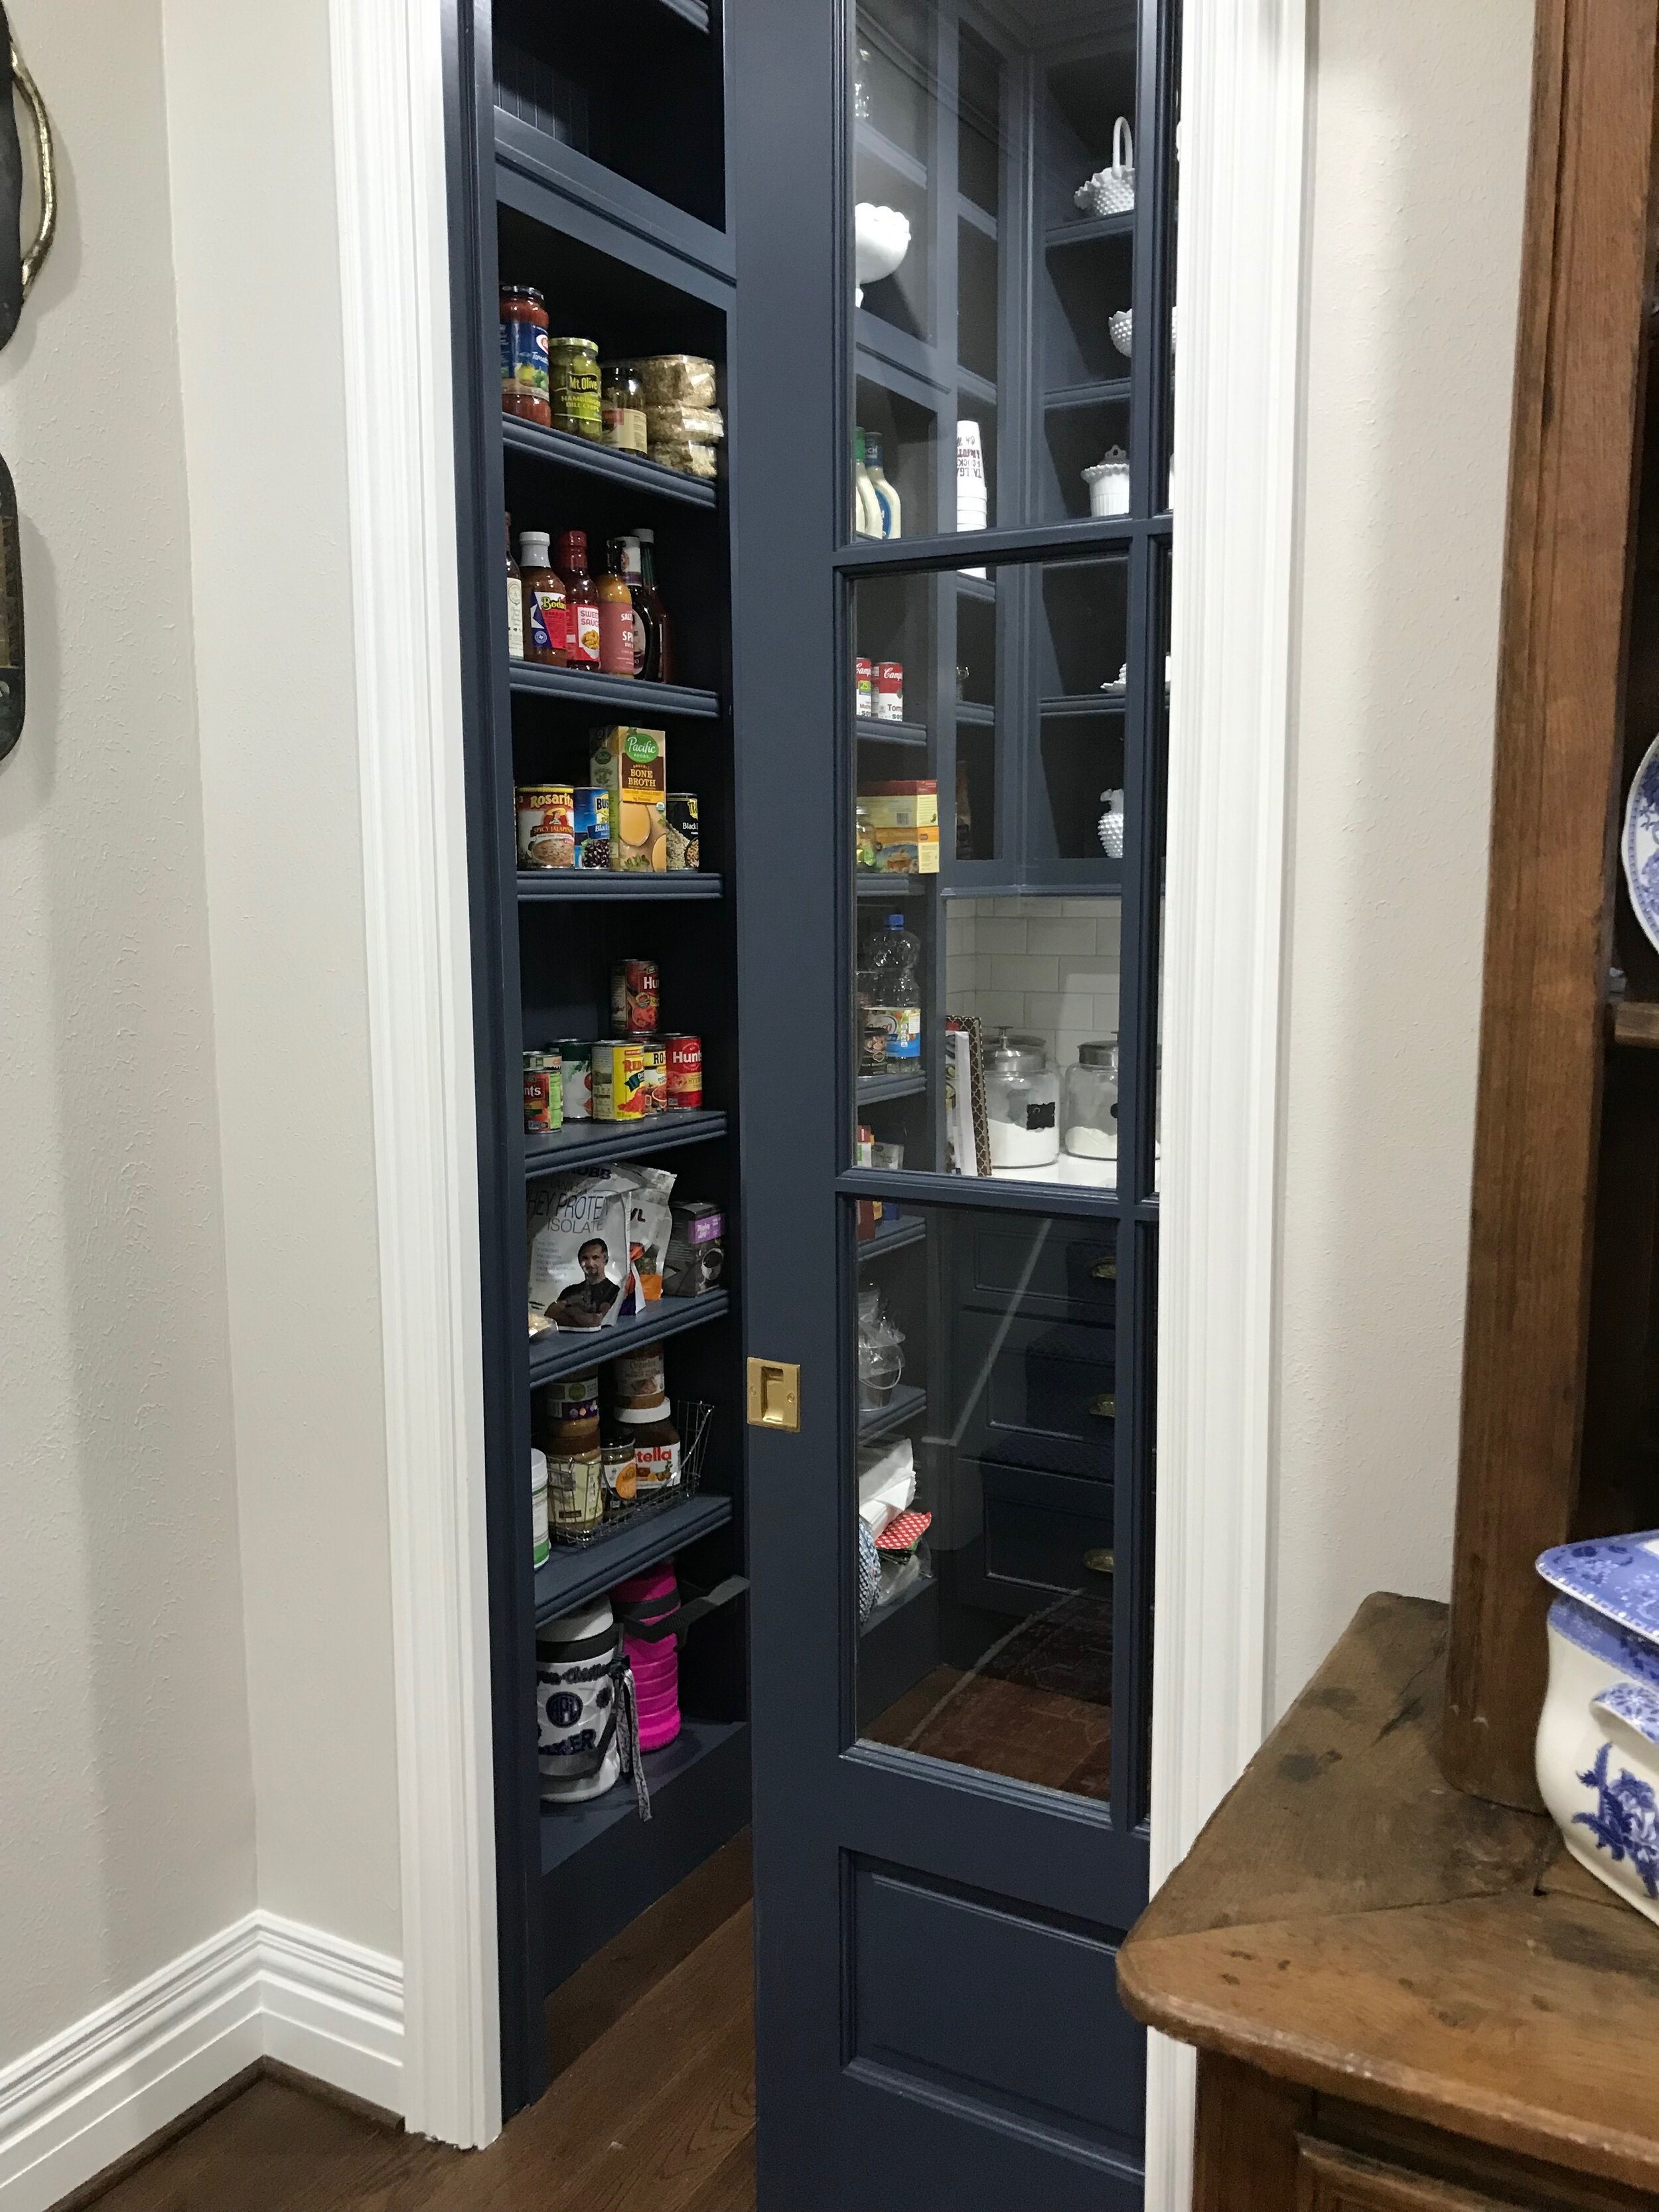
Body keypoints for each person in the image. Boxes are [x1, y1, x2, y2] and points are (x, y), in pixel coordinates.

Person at [549, 1236, 621, 1328]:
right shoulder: (570, 1290)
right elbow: (550, 1315)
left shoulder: (613, 1290)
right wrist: (582, 1318)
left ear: (605, 1259)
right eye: (585, 1258)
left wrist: (571, 1309)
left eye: (595, 1258)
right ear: (579, 1261)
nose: (590, 1264)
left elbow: (594, 1322)